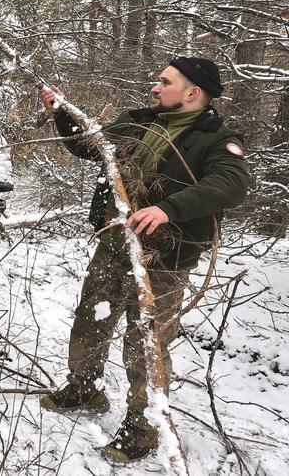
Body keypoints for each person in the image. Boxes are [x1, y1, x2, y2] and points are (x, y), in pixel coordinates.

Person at [36, 58, 251, 462]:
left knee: (145, 342)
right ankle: (84, 389)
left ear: (192, 94)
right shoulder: (139, 122)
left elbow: (232, 184)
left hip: (165, 258)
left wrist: (168, 208)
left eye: (164, 82)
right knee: (92, 317)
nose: (155, 87)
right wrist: (63, 115)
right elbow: (91, 147)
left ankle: (142, 429)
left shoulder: (216, 139)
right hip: (113, 242)